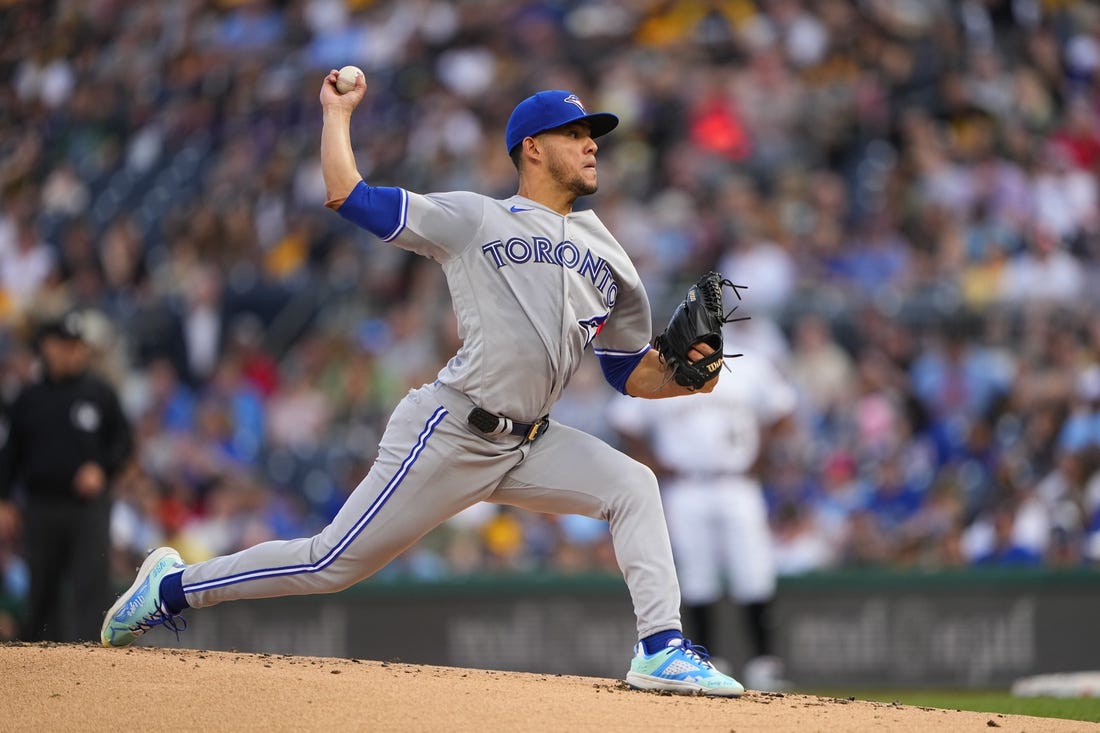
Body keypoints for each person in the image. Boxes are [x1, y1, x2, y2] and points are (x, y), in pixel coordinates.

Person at [100, 73, 745, 696]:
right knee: (330, 565)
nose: (591, 143)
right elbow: (347, 194)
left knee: (634, 485)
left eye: (592, 134)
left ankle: (661, 649)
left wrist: (693, 375)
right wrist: (337, 115)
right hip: (452, 428)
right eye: (575, 132)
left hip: (531, 445)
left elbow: (629, 371)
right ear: (533, 147)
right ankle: (170, 588)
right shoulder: (475, 219)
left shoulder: (610, 254)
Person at [607, 334, 797, 691]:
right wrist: (654, 462)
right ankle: (710, 661)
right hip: (687, 484)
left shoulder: (750, 361)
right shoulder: (663, 366)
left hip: (738, 480)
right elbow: (624, 418)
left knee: (754, 571)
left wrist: (762, 456)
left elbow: (783, 410)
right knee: (697, 575)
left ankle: (765, 664)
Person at [0, 310, 133, 641]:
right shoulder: (29, 399)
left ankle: (94, 655)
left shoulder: (99, 393)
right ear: (48, 347)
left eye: (78, 345)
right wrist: (4, 500)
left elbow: (123, 443)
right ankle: (43, 662)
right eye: (66, 344)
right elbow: (10, 454)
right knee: (42, 586)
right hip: (41, 505)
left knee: (92, 583)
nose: (75, 352)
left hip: (87, 507)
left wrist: (102, 469)